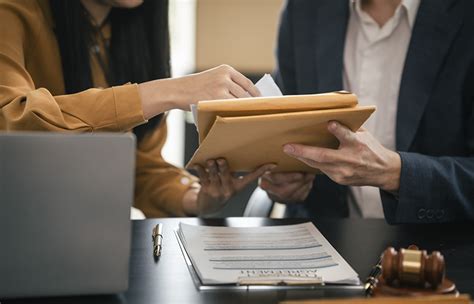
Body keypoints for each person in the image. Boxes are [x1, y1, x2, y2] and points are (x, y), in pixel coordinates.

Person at [0, 0, 274, 217]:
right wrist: (169, 90)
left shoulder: (130, 30)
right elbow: (13, 119)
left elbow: (142, 170)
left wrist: (200, 199)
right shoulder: (12, 11)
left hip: (84, 243)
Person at [260, 0, 474, 223]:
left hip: (440, 242)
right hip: (323, 235)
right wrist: (282, 182)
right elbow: (283, 133)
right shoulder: (303, 9)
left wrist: (395, 173)